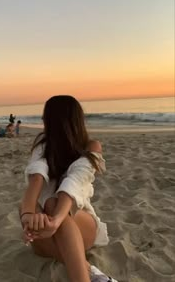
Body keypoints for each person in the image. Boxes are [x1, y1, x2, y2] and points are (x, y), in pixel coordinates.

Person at [20, 95, 118, 282]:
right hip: (44, 235)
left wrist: (56, 220)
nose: (42, 121)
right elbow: (36, 179)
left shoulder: (91, 146)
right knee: (29, 207)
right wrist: (27, 218)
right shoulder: (43, 146)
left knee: (52, 203)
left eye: (45, 118)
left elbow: (74, 182)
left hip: (80, 229)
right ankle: (89, 269)